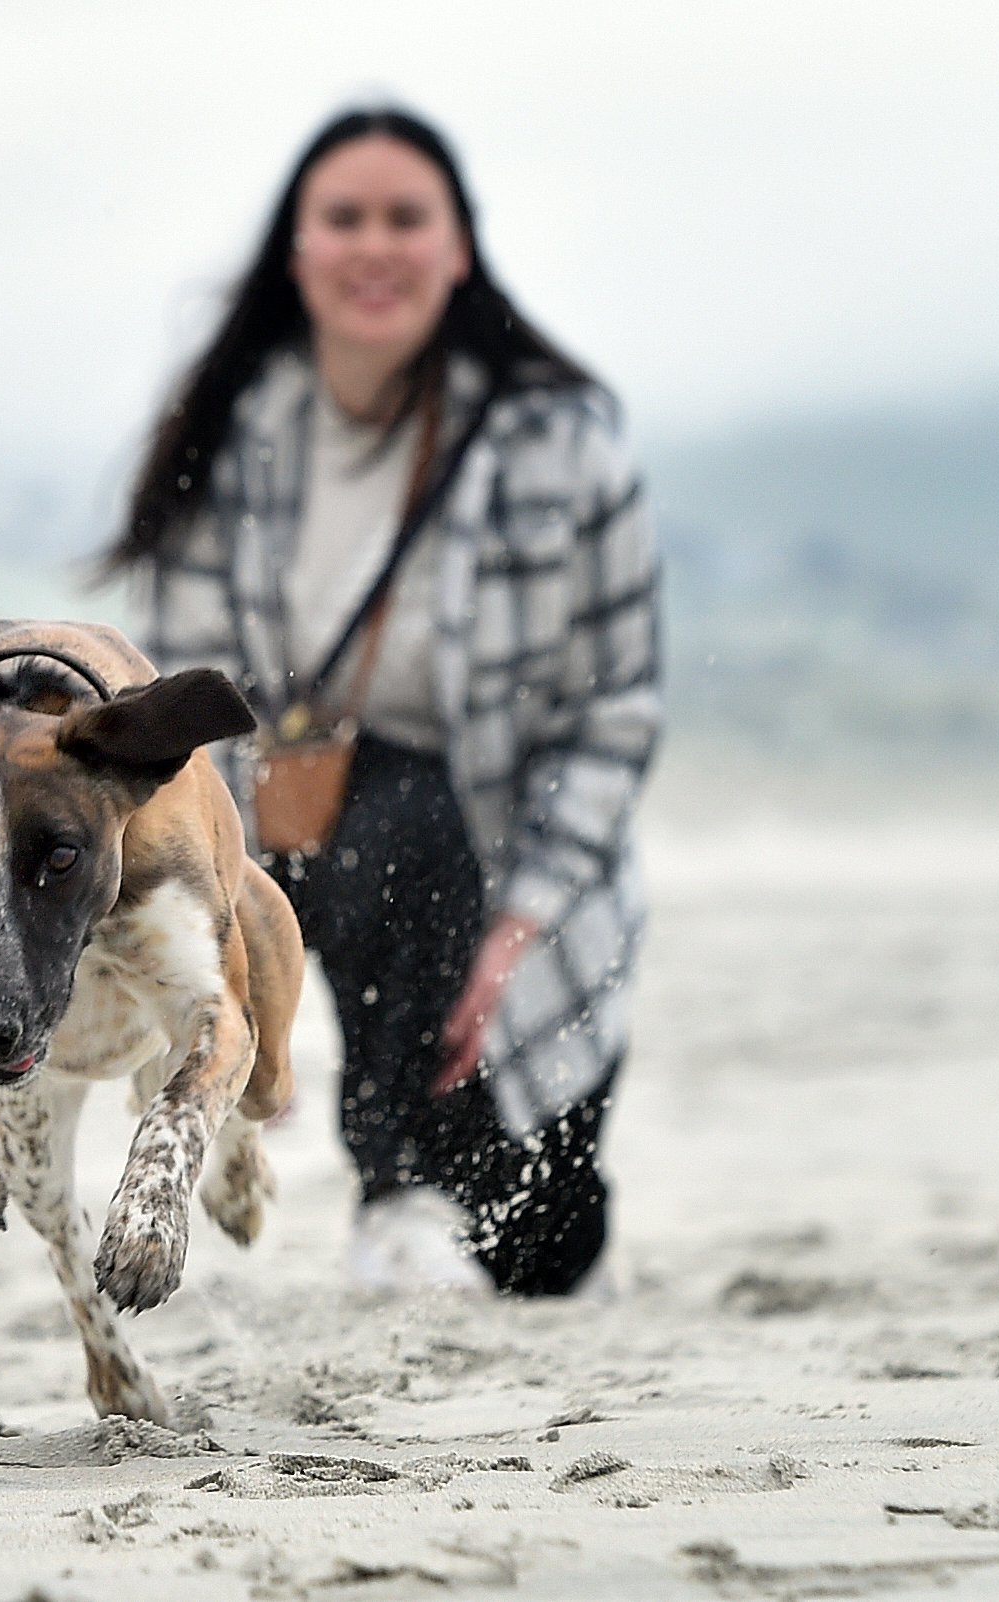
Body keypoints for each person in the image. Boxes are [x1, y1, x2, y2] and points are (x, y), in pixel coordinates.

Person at [104, 106, 658, 1298]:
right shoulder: (231, 440)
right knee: (395, 824)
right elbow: (179, 705)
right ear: (295, 251)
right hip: (286, 832)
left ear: (459, 248)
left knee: (546, 1247)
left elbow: (614, 710)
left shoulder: (564, 445)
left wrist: (526, 923)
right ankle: (392, 1195)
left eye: (407, 218)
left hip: (524, 862)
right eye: (342, 219)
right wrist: (228, 946)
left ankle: (475, 1211)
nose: (375, 246)